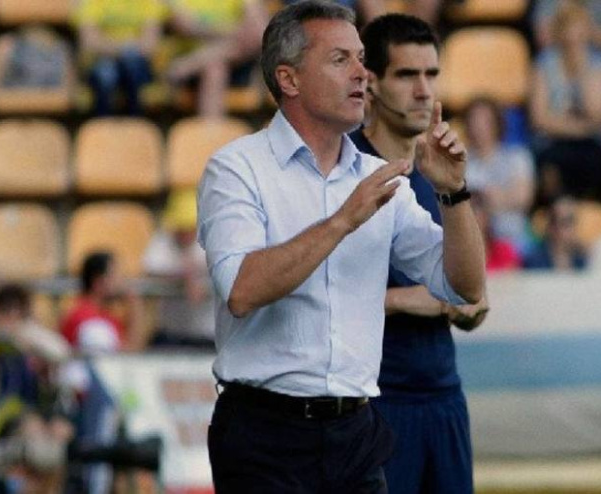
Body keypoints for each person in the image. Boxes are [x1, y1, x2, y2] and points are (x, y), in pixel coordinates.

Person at [197, 1, 486, 492]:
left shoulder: (377, 177)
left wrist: (453, 193)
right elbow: (242, 291)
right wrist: (343, 220)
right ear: (289, 79)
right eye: (340, 59)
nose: (361, 74)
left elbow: (465, 286)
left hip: (356, 431)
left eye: (362, 59)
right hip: (264, 434)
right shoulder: (236, 168)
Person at [349, 13, 488, 493]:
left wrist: (448, 302)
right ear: (371, 82)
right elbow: (323, 291)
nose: (424, 91)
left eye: (432, 74)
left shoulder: (444, 171)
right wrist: (411, 298)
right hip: (375, 401)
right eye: (407, 75)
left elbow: (477, 303)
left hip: (445, 396)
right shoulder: (344, 170)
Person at [530, 0, 601, 210]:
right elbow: (539, 118)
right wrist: (579, 128)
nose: (573, 35)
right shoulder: (544, 63)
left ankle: (597, 211)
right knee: (550, 168)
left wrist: (581, 68)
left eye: (578, 28)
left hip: (591, 144)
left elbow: (595, 112)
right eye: (568, 27)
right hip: (553, 144)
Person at [165, 0, 267, 117]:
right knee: (214, 67)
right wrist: (231, 31)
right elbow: (184, 26)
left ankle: (191, 63)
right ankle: (212, 126)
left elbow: (259, 33)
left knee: (253, 37)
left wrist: (206, 31)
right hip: (193, 70)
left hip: (238, 65)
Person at [142, 188, 215, 349]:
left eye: (189, 228)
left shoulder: (212, 241)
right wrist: (183, 276)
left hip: (205, 335)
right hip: (170, 333)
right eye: (180, 227)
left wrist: (196, 274)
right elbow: (150, 272)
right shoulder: (162, 241)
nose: (184, 234)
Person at [464, 96, 535, 253]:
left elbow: (523, 198)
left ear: (497, 123)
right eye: (474, 121)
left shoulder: (517, 157)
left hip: (513, 239)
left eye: (485, 121)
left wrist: (482, 198)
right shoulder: (460, 162)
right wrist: (502, 196)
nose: (479, 127)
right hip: (475, 241)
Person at [72, 0, 166, 115]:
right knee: (106, 72)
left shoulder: (149, 2)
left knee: (132, 64)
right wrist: (128, 47)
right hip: (102, 62)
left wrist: (111, 46)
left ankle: (135, 120)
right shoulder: (90, 2)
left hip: (137, 64)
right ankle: (103, 121)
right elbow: (90, 43)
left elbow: (149, 46)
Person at [59, 251, 146, 355]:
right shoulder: (86, 319)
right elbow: (124, 356)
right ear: (98, 281)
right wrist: (134, 304)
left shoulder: (107, 316)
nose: (122, 282)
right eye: (116, 276)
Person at [523, 195, 588, 271]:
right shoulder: (534, 260)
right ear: (551, 226)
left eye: (573, 222)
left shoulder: (581, 260)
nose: (571, 228)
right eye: (565, 222)